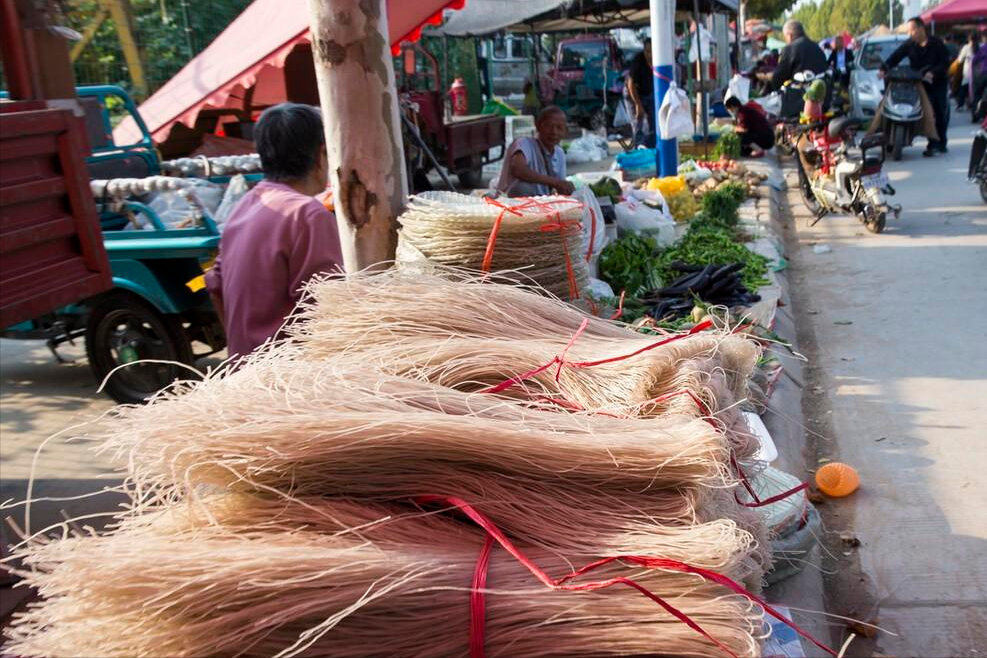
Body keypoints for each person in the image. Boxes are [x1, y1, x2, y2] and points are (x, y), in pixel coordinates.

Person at [206, 103, 343, 359]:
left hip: (246, 373)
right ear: (320, 154)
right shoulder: (308, 215)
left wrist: (244, 352)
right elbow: (327, 311)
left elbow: (215, 284)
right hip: (289, 379)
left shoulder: (245, 204)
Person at [881, 17, 951, 156]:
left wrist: (933, 73)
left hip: (936, 83)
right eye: (908, 31)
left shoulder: (936, 43)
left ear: (921, 29)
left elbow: (945, 63)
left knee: (937, 111)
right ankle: (891, 138)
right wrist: (884, 68)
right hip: (917, 82)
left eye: (912, 30)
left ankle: (938, 143)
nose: (910, 34)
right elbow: (896, 56)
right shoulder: (909, 45)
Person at [495, 105, 573, 197]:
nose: (554, 132)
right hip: (512, 203)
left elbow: (560, 186)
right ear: (538, 126)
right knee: (522, 188)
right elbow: (518, 169)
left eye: (559, 128)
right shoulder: (524, 144)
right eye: (548, 126)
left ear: (565, 131)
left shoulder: (559, 153)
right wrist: (555, 182)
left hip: (541, 205)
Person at [771, 20, 828, 90]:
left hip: (800, 95)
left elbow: (778, 77)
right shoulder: (817, 47)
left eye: (785, 37)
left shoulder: (790, 49)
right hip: (822, 93)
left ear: (789, 36)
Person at [627, 39, 656, 147]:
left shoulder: (657, 60)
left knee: (653, 121)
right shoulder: (638, 61)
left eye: (652, 51)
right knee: (638, 121)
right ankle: (638, 148)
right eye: (647, 51)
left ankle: (651, 147)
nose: (650, 54)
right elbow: (631, 84)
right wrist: (638, 105)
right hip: (633, 93)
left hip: (647, 91)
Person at [956, 33, 980, 109]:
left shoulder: (966, 47)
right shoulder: (981, 46)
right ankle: (974, 105)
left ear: (969, 39)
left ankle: (960, 105)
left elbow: (960, 60)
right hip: (978, 72)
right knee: (976, 89)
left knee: (963, 88)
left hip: (968, 72)